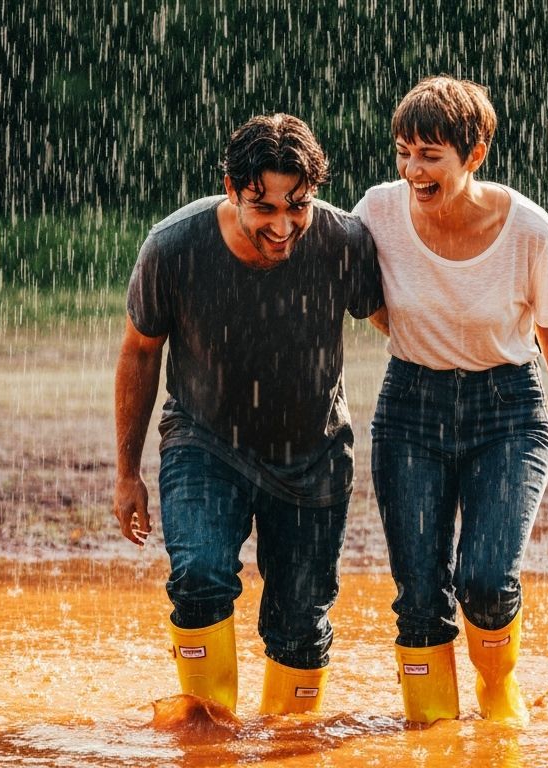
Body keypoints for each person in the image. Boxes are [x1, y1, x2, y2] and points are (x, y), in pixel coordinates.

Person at [352, 76, 548, 726]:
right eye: (404, 151)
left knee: (487, 579)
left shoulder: (530, 230)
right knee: (419, 591)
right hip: (410, 407)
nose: (413, 169)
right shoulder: (376, 213)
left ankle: (498, 693)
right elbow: (354, 294)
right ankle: (432, 731)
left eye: (430, 154)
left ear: (473, 156)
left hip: (507, 414)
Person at [113, 114, 383, 716]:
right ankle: (207, 738)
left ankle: (290, 747)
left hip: (313, 453)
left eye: (299, 206)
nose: (285, 226)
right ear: (233, 189)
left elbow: (398, 322)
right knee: (200, 578)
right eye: (266, 209)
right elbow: (139, 350)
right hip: (206, 442)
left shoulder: (343, 241)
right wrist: (126, 472)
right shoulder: (175, 245)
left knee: (301, 620)